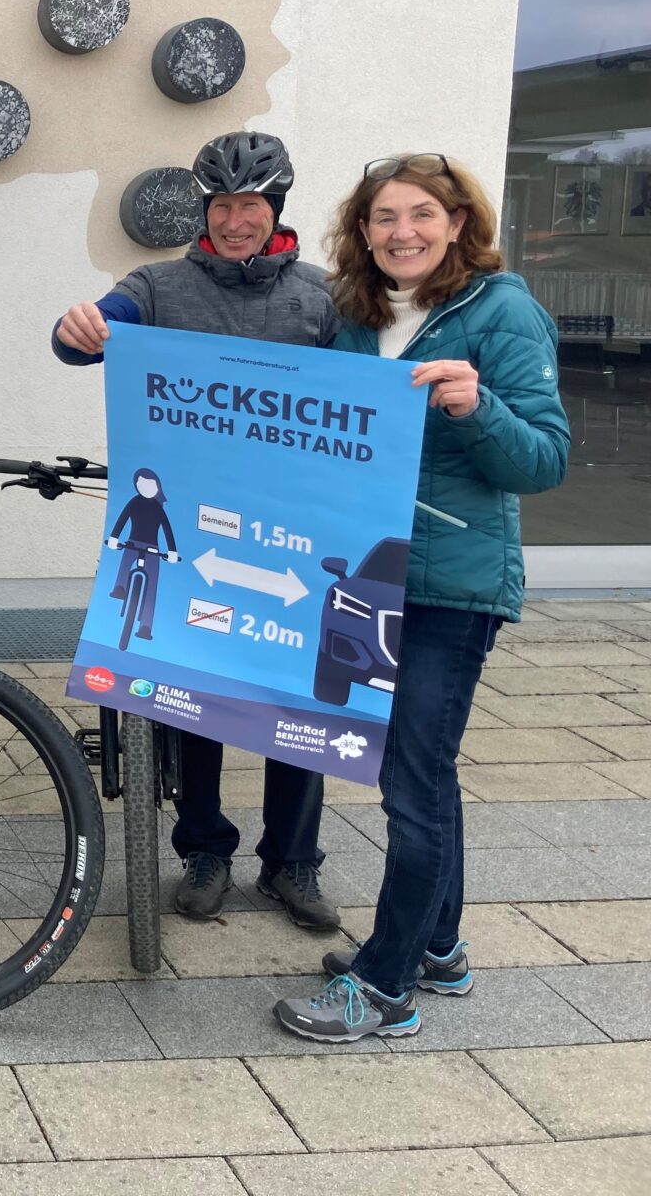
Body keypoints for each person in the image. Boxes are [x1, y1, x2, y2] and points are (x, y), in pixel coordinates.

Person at [275, 153, 568, 1041]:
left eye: (421, 215)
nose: (402, 232)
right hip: (372, 575)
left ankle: (386, 985)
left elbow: (544, 461)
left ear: (457, 221)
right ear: (362, 234)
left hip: (451, 585)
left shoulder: (501, 310)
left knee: (410, 777)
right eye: (383, 219)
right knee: (425, 772)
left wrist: (476, 407)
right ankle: (438, 945)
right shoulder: (358, 316)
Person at [52, 130, 343, 929]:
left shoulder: (324, 297)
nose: (234, 219)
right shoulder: (159, 286)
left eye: (250, 204)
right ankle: (205, 849)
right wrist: (81, 327)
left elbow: (369, 394)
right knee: (195, 698)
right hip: (199, 524)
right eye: (221, 204)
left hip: (296, 532)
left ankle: (292, 862)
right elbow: (88, 334)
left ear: (275, 209)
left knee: (298, 707)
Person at [105, 467, 180, 640]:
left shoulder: (158, 507)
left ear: (157, 486)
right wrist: (114, 538)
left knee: (152, 586)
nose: (145, 487)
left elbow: (167, 529)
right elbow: (122, 519)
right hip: (132, 543)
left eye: (149, 484)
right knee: (125, 563)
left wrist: (172, 552)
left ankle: (145, 626)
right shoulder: (134, 502)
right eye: (141, 484)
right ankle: (120, 587)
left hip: (153, 549)